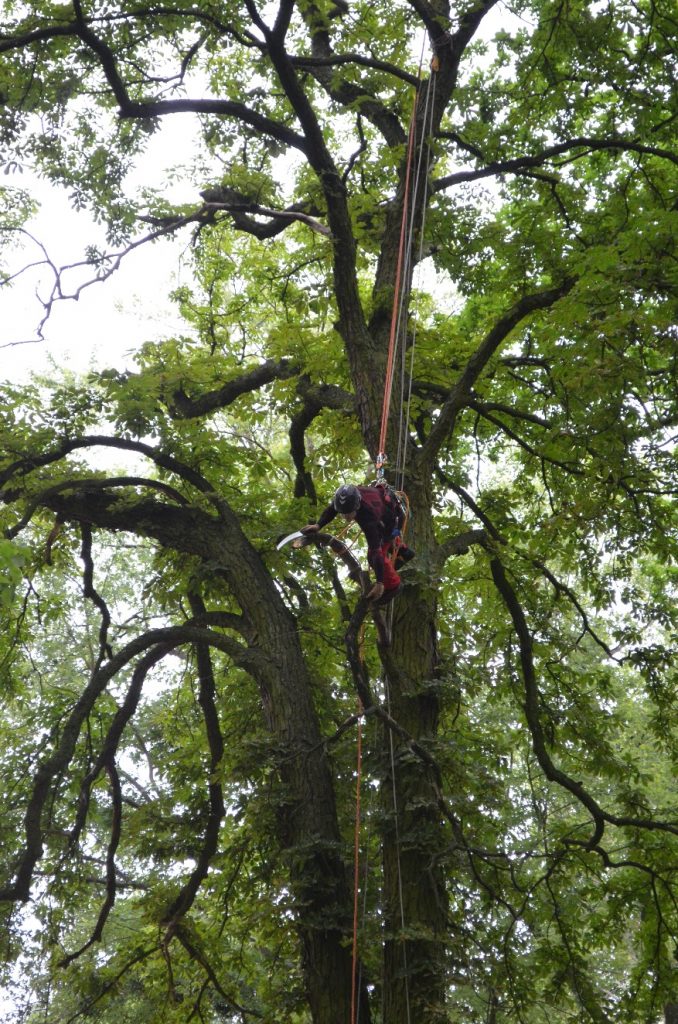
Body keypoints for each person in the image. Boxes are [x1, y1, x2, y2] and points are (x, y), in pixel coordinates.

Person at [302, 483, 414, 603]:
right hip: (387, 506)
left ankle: (393, 586)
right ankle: (404, 552)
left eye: (349, 513)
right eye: (343, 513)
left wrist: (380, 582)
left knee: (373, 556)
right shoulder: (344, 500)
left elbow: (376, 552)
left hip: (392, 520)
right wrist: (318, 525)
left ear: (357, 505)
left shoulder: (369, 517)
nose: (345, 517)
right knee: (380, 546)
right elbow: (332, 509)